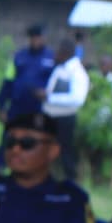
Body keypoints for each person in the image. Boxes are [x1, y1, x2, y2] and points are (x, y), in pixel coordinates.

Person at [41, 38, 91, 181]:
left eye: (58, 52)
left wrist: (50, 98)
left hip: (65, 118)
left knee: (65, 151)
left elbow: (77, 99)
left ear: (65, 53)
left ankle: (70, 180)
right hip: (49, 116)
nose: (55, 54)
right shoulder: (59, 69)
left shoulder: (77, 73)